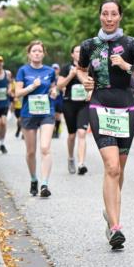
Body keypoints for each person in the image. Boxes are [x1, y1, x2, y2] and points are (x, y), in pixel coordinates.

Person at [76, 0, 134, 249]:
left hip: (126, 110)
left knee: (118, 170)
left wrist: (127, 66)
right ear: (99, 16)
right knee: (111, 167)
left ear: (120, 17)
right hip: (100, 106)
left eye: (113, 14)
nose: (109, 18)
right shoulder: (89, 45)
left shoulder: (131, 44)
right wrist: (85, 80)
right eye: (105, 14)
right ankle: (115, 227)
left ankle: (109, 213)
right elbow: (80, 69)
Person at [16, 41, 59, 197]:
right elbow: (17, 93)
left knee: (45, 148)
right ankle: (34, 179)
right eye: (34, 51)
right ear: (29, 54)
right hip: (28, 113)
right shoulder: (23, 70)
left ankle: (44, 184)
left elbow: (53, 87)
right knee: (31, 152)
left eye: (39, 51)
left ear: (43, 54)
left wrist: (54, 92)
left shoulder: (50, 71)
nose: (37, 53)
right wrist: (32, 87)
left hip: (47, 112)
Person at [58, 44, 91, 175]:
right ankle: (71, 158)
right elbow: (59, 86)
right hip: (69, 104)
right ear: (72, 54)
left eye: (82, 51)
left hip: (84, 104)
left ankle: (81, 164)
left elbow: (94, 83)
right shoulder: (66, 68)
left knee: (82, 133)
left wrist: (90, 92)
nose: (79, 53)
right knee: (72, 135)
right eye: (77, 51)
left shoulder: (89, 67)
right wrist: (71, 75)